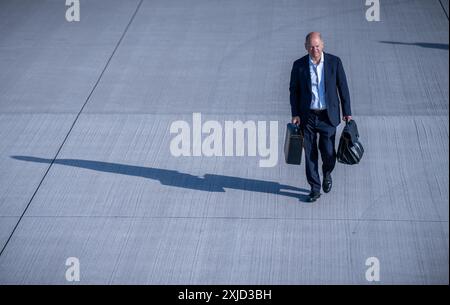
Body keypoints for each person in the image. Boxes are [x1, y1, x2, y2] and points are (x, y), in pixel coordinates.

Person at [289, 32, 352, 202]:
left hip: (328, 116)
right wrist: (295, 113)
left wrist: (347, 112)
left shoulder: (334, 62)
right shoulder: (299, 65)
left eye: (317, 46)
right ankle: (314, 188)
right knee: (310, 154)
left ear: (322, 45)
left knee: (329, 152)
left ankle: (327, 173)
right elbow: (293, 91)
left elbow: (343, 87)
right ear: (305, 47)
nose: (314, 49)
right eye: (311, 46)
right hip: (307, 116)